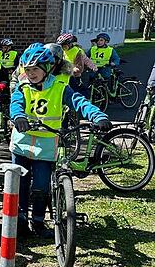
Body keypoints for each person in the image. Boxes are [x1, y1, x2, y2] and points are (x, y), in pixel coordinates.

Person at [10, 44, 111, 238]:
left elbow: (79, 102)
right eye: (28, 70)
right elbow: (16, 104)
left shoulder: (59, 87)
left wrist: (98, 116)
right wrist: (19, 117)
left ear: (47, 68)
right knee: (19, 185)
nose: (31, 74)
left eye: (35, 69)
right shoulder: (22, 88)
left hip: (46, 146)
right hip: (21, 144)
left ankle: (38, 222)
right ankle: (19, 220)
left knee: (41, 187)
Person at [57, 33, 97, 98]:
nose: (62, 48)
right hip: (64, 76)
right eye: (61, 46)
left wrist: (93, 67)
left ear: (70, 44)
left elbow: (85, 62)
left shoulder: (77, 52)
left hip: (74, 76)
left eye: (64, 46)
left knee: (75, 93)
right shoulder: (62, 51)